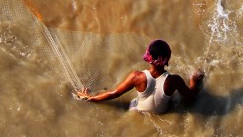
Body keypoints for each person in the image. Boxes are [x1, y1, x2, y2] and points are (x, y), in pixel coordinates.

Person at [77, 40, 205, 114]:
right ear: (167, 59)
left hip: (137, 111)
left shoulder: (136, 77)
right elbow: (190, 95)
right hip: (163, 113)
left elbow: (114, 94)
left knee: (116, 95)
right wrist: (194, 80)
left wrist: (90, 98)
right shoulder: (174, 80)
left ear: (148, 58)